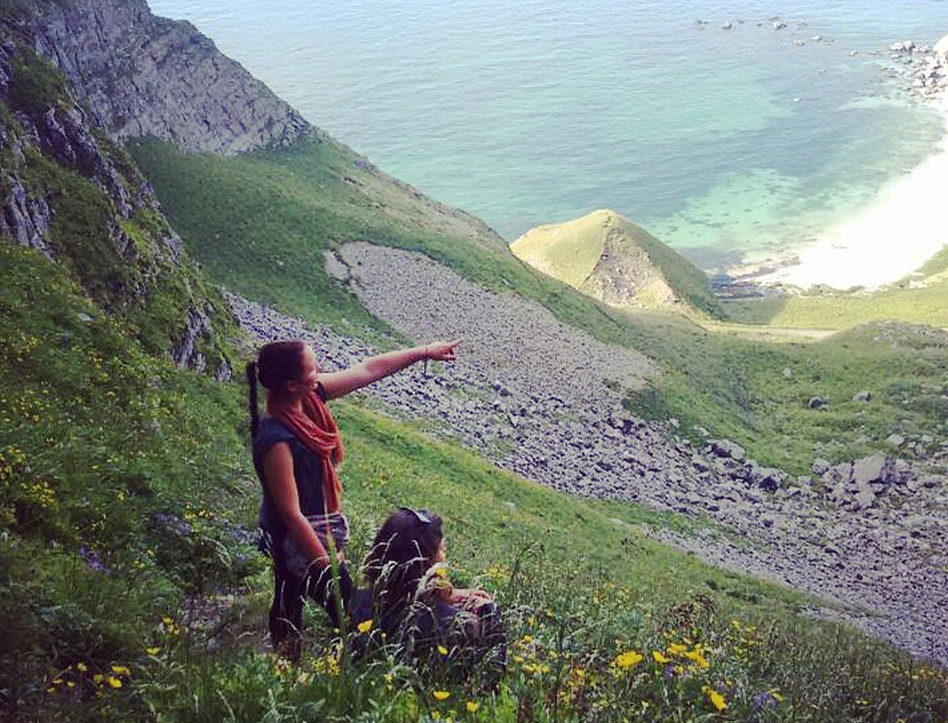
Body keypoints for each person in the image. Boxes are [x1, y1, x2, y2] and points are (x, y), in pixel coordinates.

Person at [246, 338, 460, 657]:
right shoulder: (276, 439)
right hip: (299, 538)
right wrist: (327, 564)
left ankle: (286, 662)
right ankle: (351, 666)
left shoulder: (310, 396)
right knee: (343, 611)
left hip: (320, 528)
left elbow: (366, 370)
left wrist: (423, 352)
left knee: (289, 594)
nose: (319, 373)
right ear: (291, 385)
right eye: (313, 368)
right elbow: (291, 514)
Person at [362, 508, 505, 672]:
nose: (445, 556)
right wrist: (490, 613)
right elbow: (492, 673)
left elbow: (412, 593)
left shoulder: (361, 602)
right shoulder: (454, 626)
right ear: (426, 562)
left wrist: (447, 594)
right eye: (442, 549)